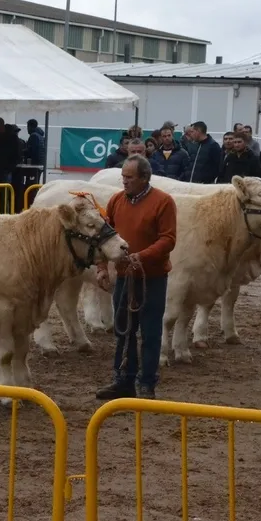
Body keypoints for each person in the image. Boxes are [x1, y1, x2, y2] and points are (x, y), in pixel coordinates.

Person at [94, 155, 176, 401]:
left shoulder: (163, 202)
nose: (124, 181)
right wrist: (101, 266)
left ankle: (147, 383)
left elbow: (168, 239)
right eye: (123, 177)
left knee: (150, 332)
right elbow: (104, 236)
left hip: (152, 279)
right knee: (123, 331)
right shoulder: (116, 200)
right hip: (124, 277)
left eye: (129, 177)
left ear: (144, 178)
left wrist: (142, 256)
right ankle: (124, 380)